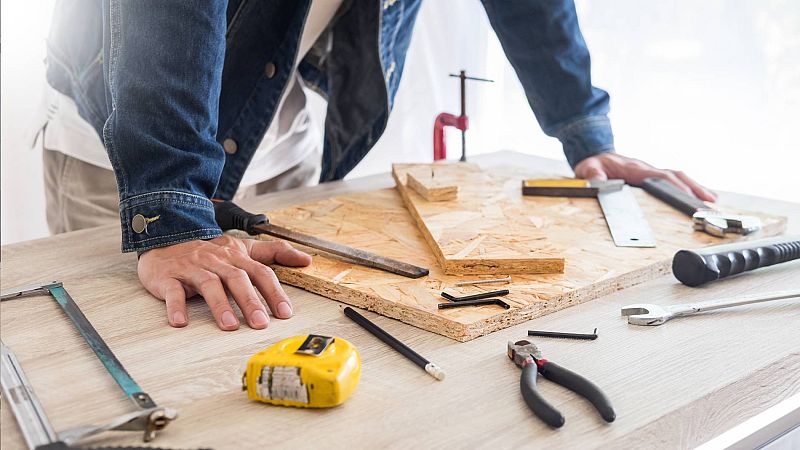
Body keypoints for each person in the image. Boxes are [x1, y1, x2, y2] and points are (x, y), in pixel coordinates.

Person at [42, 0, 715, 332]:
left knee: (275, 349)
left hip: (280, 131)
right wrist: (169, 210)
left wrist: (583, 131)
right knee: (157, 351)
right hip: (132, 144)